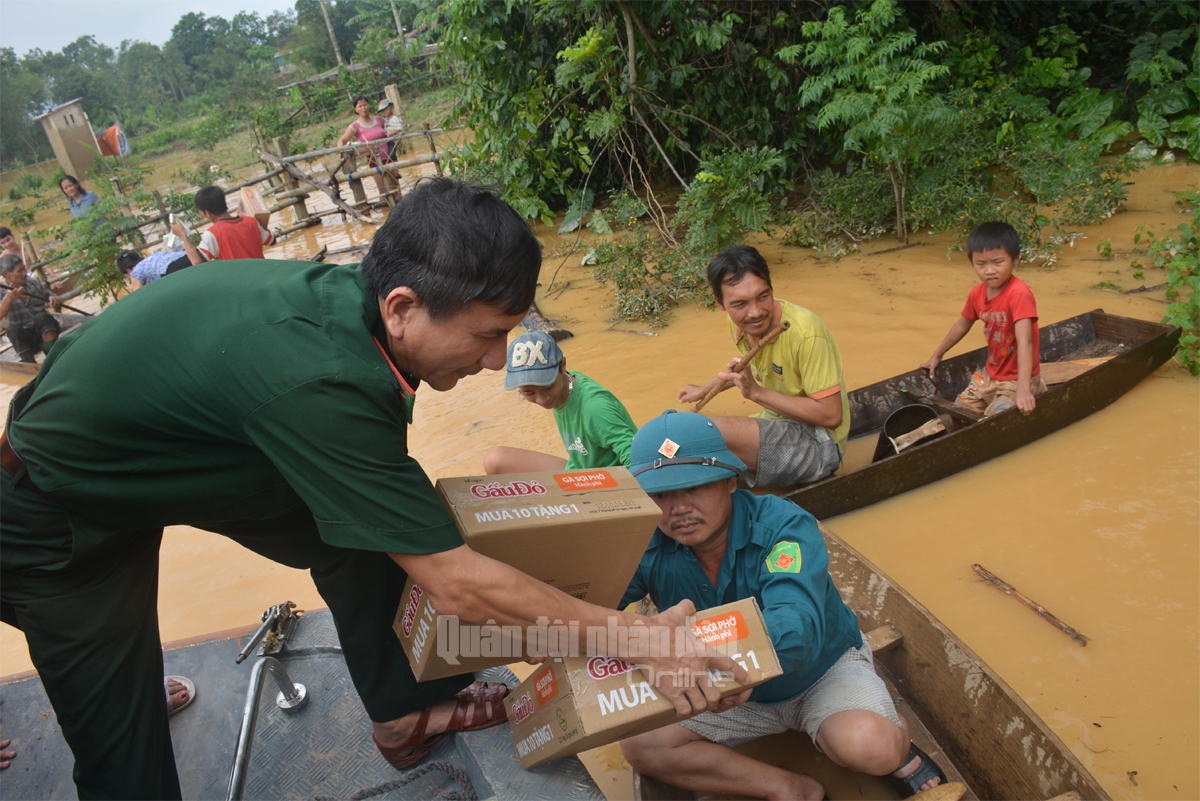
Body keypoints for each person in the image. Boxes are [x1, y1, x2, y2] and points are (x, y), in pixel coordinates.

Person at [0, 178, 743, 799]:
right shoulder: (321, 380)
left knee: (363, 530)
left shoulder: (349, 315)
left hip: (163, 450)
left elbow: (397, 512)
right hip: (59, 512)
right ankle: (117, 699)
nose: (495, 364)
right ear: (402, 306)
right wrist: (635, 634)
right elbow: (457, 585)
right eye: (486, 337)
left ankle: (399, 712)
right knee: (126, 757)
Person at [617, 411, 947, 800]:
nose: (678, 510)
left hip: (817, 673)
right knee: (640, 745)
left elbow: (797, 626)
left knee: (872, 747)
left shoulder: (784, 527)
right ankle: (789, 788)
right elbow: (590, 604)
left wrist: (731, 665)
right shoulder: (644, 544)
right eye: (660, 496)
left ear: (730, 481)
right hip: (724, 685)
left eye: (693, 488)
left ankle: (894, 736)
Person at [677, 245, 850, 487]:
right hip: (777, 422)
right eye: (740, 304)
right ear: (721, 304)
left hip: (820, 444)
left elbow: (831, 415)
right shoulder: (739, 325)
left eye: (763, 296)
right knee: (683, 440)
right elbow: (745, 368)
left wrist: (756, 393)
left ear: (771, 288)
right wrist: (705, 389)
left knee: (701, 433)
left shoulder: (806, 333)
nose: (756, 312)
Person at [920, 221, 1046, 417]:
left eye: (998, 262)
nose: (989, 270)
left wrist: (1023, 389)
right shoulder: (977, 293)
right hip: (990, 375)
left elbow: (1025, 341)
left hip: (1017, 378)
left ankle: (1034, 385)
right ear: (973, 264)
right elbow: (962, 325)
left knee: (999, 414)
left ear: (1015, 260)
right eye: (981, 264)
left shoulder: (1018, 294)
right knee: (958, 409)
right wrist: (937, 355)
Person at [483, 331, 637, 474]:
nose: (542, 399)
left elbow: (636, 457)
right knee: (495, 460)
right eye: (529, 392)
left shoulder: (594, 407)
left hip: (607, 481)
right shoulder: (567, 382)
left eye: (548, 387)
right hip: (580, 470)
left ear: (563, 367)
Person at [168, 186, 273, 265]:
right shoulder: (251, 222)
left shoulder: (213, 234)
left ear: (207, 213)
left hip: (241, 286)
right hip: (263, 277)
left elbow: (197, 262)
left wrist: (183, 235)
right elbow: (271, 240)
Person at [0, 253, 59, 364]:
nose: (24, 274)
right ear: (6, 274)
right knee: (13, 330)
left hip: (44, 330)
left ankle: (55, 358)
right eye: (19, 271)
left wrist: (54, 299)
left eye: (24, 269)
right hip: (26, 340)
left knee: (41, 317)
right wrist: (9, 298)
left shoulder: (33, 284)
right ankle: (31, 366)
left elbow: (52, 296)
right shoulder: (2, 292)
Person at [337, 95, 399, 198]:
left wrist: (396, 137)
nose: (363, 108)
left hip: (389, 157)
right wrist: (341, 153)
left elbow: (391, 130)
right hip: (374, 160)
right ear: (356, 109)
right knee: (383, 192)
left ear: (369, 105)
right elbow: (342, 140)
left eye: (365, 104)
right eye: (360, 106)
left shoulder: (379, 120)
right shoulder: (355, 126)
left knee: (396, 189)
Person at [116, 249, 192, 289]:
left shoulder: (135, 272)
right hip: (188, 256)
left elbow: (138, 299)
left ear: (127, 270)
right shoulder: (152, 258)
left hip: (174, 268)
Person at [379, 97, 406, 162]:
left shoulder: (394, 118)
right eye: (382, 110)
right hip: (389, 139)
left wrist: (391, 133)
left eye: (385, 109)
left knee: (391, 154)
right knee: (387, 153)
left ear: (392, 108)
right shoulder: (385, 120)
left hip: (393, 139)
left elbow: (400, 128)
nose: (384, 111)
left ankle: (395, 166)